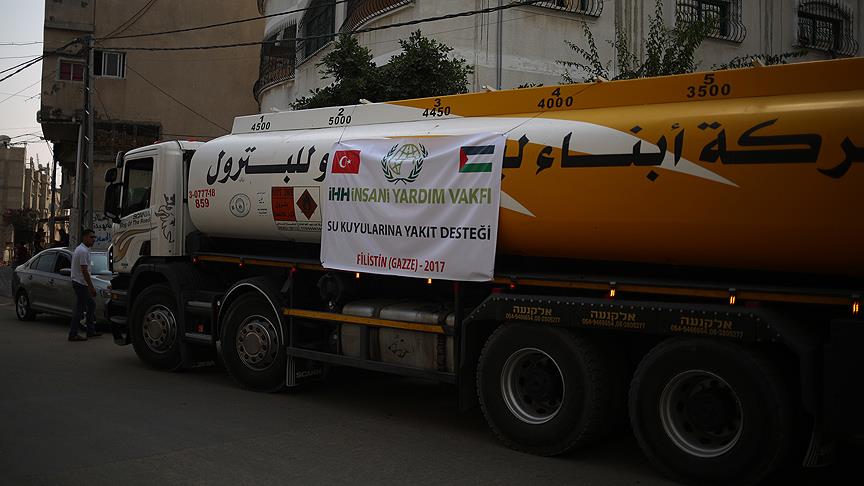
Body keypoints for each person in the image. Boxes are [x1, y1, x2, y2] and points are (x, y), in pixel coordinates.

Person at [69, 229, 102, 341]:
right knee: (80, 309)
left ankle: (90, 331)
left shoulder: (84, 250)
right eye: (91, 237)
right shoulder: (82, 251)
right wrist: (91, 287)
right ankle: (73, 334)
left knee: (91, 305)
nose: (93, 239)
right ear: (84, 237)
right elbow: (84, 271)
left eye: (94, 237)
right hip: (80, 283)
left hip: (81, 283)